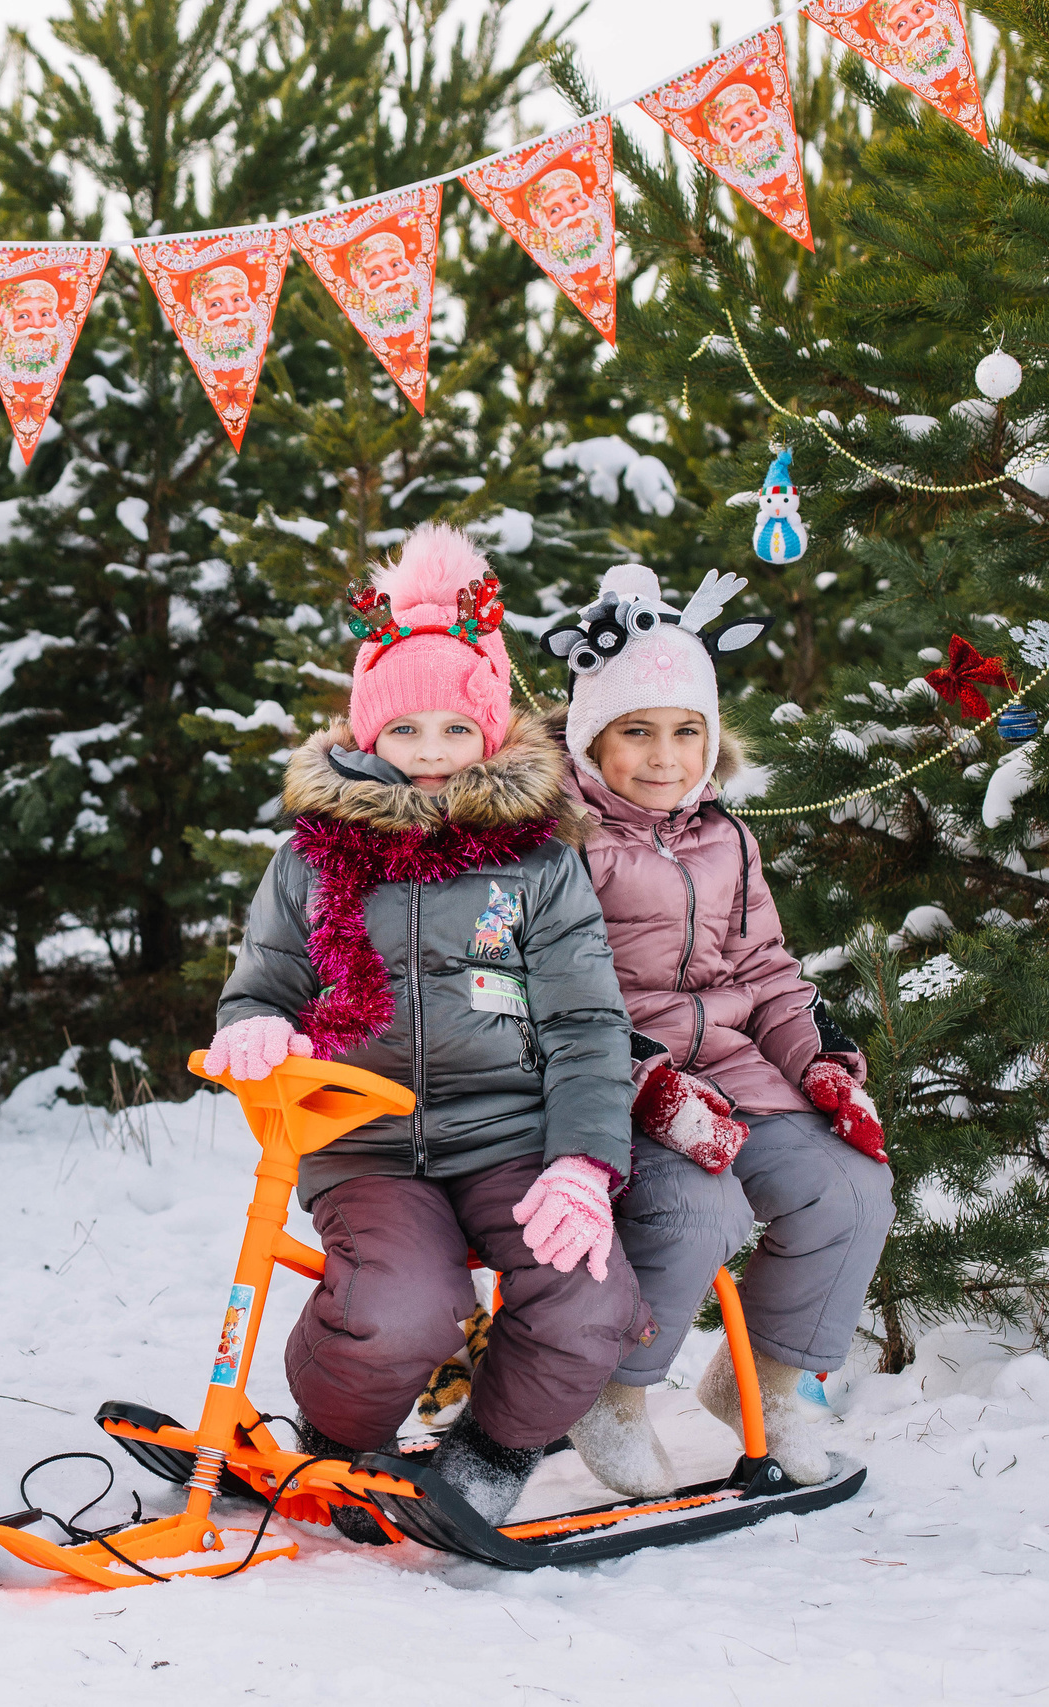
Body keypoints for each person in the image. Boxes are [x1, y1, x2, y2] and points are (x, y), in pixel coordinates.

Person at [207, 523, 645, 1540]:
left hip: (509, 1137)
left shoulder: (535, 866)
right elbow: (263, 980)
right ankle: (338, 1438)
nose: (433, 758)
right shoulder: (311, 861)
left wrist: (582, 1158)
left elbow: (585, 1019)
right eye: (407, 733)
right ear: (368, 735)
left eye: (457, 731)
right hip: (362, 1142)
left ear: (489, 734)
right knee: (403, 1309)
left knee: (586, 1298)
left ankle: (491, 1454)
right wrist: (260, 1026)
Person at [555, 564, 893, 1495]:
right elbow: (555, 995)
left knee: (853, 1186)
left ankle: (769, 1384)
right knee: (703, 1205)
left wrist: (820, 1064)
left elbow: (767, 971)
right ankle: (611, 1394)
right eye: (636, 732)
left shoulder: (727, 838)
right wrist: (649, 1084)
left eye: (685, 732)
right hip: (614, 1082)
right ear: (591, 737)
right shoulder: (563, 842)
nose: (664, 757)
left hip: (737, 1068)